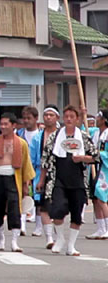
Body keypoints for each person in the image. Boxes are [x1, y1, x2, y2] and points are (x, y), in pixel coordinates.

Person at [37, 105, 99, 256]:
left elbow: (96, 156)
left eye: (72, 117)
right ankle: (60, 238)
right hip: (58, 178)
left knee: (76, 213)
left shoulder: (83, 137)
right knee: (57, 209)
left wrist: (83, 158)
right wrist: (41, 179)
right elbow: (45, 159)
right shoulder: (55, 136)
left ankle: (71, 245)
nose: (69, 119)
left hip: (77, 180)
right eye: (67, 117)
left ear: (77, 119)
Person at [0, 113, 35, 252]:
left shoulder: (21, 143)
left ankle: (14, 241)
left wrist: (25, 183)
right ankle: (1, 238)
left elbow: (26, 164)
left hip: (13, 177)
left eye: (6, 124)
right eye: (2, 124)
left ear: (13, 125)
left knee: (14, 209)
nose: (3, 127)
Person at [30, 105, 60, 248]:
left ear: (57, 118)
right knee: (43, 206)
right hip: (41, 173)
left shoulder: (63, 135)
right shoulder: (38, 138)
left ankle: (58, 235)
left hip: (60, 174)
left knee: (59, 206)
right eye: (46, 115)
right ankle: (49, 237)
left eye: (51, 115)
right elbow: (32, 158)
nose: (48, 117)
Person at [17, 106, 40, 234]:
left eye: (29, 118)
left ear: (36, 119)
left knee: (38, 198)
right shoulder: (19, 134)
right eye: (24, 118)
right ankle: (22, 225)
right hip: (22, 169)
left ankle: (38, 226)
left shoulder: (40, 135)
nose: (26, 121)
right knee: (23, 195)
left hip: (37, 169)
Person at [87, 110, 108, 239]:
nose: (96, 118)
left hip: (105, 169)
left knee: (101, 197)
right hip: (96, 167)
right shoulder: (96, 133)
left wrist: (97, 155)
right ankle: (100, 228)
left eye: (99, 116)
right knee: (95, 198)